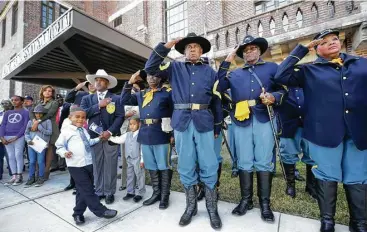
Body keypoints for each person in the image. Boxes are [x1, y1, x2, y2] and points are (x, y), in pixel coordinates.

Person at [274, 28, 367, 232]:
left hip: (358, 132)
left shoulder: (360, 64)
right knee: (327, 176)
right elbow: (280, 76)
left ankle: (359, 223)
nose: (332, 42)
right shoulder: (309, 70)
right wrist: (302, 49)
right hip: (324, 133)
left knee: (357, 176)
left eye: (334, 39)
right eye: (324, 42)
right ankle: (327, 222)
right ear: (317, 49)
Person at [144, 33, 223, 229]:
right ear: (184, 51)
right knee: (186, 164)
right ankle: (191, 207)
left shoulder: (211, 72)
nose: (193, 49)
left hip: (204, 121)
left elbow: (216, 101)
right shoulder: (174, 68)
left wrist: (218, 125)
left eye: (196, 47)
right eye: (189, 47)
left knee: (209, 163)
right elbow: (150, 68)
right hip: (182, 122)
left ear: (202, 50)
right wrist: (166, 46)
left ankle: (212, 208)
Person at [218, 35, 286, 222]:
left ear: (259, 50)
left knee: (264, 160)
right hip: (241, 119)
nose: (249, 52)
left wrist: (273, 96)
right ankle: (245, 200)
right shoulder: (235, 73)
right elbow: (220, 85)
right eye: (246, 50)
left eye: (253, 48)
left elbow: (283, 90)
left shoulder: (272, 67)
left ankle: (265, 204)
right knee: (244, 160)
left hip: (264, 116)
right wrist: (227, 62)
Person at [55, 107, 118, 225]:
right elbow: (59, 146)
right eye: (77, 117)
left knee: (81, 190)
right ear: (70, 118)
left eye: (83, 117)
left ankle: (78, 213)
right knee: (88, 189)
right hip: (75, 165)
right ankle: (101, 211)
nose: (80, 119)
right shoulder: (66, 132)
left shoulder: (84, 130)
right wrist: (64, 152)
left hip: (88, 163)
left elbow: (88, 143)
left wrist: (98, 139)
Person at [121, 69, 173, 209]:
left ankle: (164, 196)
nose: (151, 78)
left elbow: (174, 112)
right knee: (151, 166)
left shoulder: (167, 93)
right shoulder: (142, 94)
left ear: (161, 78)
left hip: (161, 132)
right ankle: (156, 193)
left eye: (155, 76)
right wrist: (130, 82)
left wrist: (172, 134)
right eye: (149, 76)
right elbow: (124, 100)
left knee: (164, 166)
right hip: (145, 133)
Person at [81, 69, 124, 204]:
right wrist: (98, 106)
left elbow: (120, 116)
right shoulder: (87, 99)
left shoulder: (116, 98)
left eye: (101, 80)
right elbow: (82, 114)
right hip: (94, 137)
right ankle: (99, 191)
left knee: (111, 165)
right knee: (97, 164)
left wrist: (110, 131)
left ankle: (109, 192)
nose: (98, 82)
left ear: (107, 83)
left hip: (110, 137)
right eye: (96, 80)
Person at [277, 87, 316, 199]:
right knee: (287, 154)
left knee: (312, 154)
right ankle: (290, 185)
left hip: (309, 122)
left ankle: (311, 186)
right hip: (288, 122)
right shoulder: (283, 76)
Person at [109, 116, 145, 202]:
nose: (131, 126)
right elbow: (119, 140)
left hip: (137, 158)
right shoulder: (127, 134)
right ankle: (130, 192)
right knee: (130, 175)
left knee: (140, 175)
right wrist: (109, 137)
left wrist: (142, 160)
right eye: (130, 124)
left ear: (139, 124)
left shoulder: (141, 134)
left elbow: (143, 149)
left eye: (134, 124)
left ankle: (140, 193)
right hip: (129, 158)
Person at [30, 85, 60, 180]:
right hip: (38, 126)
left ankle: (46, 172)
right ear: (42, 92)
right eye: (46, 91)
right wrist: (34, 121)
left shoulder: (54, 102)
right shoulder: (38, 102)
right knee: (38, 148)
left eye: (50, 91)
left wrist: (38, 121)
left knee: (49, 148)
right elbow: (31, 112)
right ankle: (39, 172)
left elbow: (49, 114)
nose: (48, 92)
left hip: (50, 126)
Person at [0, 96, 29, 186]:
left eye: (16, 100)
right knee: (10, 156)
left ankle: (19, 175)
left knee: (18, 155)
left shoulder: (25, 112)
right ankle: (14, 176)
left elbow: (25, 126)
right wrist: (1, 137)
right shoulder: (8, 112)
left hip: (19, 137)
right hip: (7, 136)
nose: (14, 102)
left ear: (22, 101)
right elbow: (3, 124)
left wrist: (17, 137)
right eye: (12, 100)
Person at [24, 105, 52, 187]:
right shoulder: (30, 122)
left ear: (43, 114)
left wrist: (39, 127)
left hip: (41, 144)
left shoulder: (47, 121)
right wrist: (28, 140)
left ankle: (41, 177)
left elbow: (49, 132)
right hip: (32, 144)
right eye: (36, 113)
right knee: (32, 161)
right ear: (34, 114)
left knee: (40, 161)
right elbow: (26, 133)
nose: (38, 115)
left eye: (40, 113)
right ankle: (31, 177)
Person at [0, 100, 13, 179]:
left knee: (10, 157)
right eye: (2, 104)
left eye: (6, 103)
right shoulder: (0, 113)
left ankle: (13, 175)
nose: (4, 105)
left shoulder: (13, 113)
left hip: (9, 138)